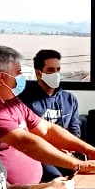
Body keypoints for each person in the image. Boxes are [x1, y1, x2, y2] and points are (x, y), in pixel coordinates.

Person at [0, 45, 95, 185]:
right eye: (18, 72)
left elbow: (47, 129)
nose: (21, 78)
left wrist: (90, 150)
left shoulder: (12, 101)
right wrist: (78, 165)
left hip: (36, 184)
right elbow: (27, 143)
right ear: (2, 77)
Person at [18, 49, 83, 181]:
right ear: (38, 73)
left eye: (58, 70)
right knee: (57, 179)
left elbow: (75, 131)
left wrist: (68, 149)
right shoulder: (23, 100)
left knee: (87, 172)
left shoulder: (69, 99)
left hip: (65, 154)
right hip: (39, 157)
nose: (56, 74)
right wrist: (54, 149)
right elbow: (25, 136)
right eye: (50, 70)